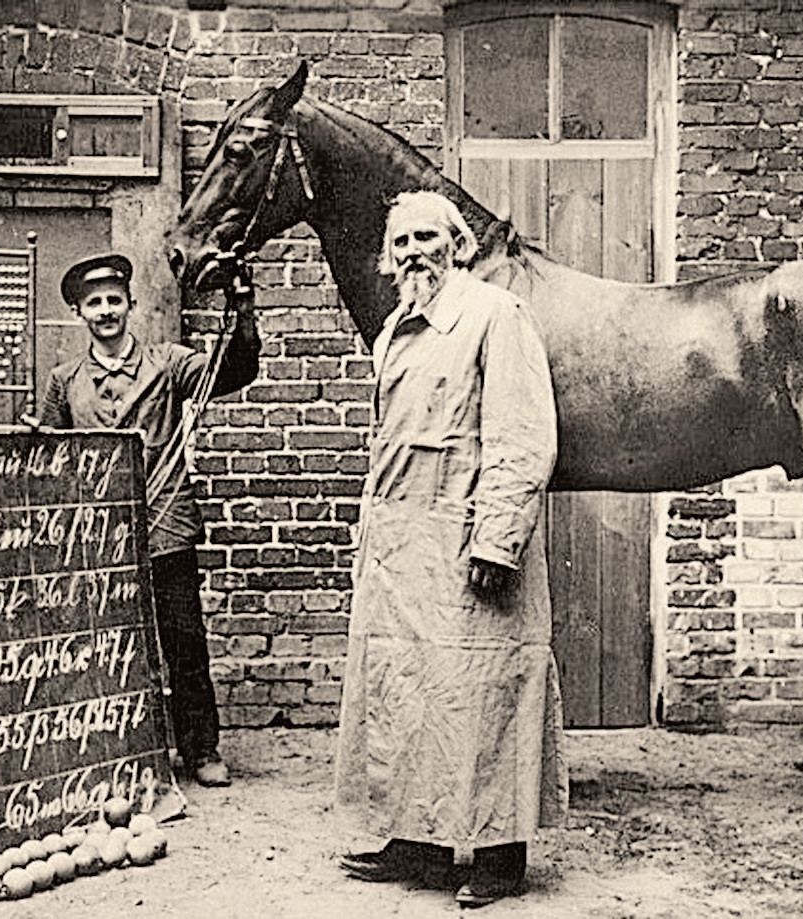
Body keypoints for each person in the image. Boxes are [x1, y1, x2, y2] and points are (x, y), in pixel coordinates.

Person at [333, 191, 567, 907]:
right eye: (400, 241)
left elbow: (523, 434)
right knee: (408, 691)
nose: (413, 252)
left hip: (467, 545)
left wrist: (497, 540)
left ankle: (499, 854)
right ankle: (419, 841)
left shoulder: (495, 315)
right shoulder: (394, 329)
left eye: (426, 237)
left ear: (457, 246)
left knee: (485, 692)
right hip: (402, 552)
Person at [40, 252, 260, 788]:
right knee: (106, 642)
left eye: (114, 300)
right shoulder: (64, 381)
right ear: (79, 313)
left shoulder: (168, 364)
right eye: (94, 303)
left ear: (130, 304)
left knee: (183, 639)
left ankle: (200, 749)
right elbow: (49, 459)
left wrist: (242, 307)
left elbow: (234, 370)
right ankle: (114, 751)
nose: (105, 311)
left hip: (166, 524)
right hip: (100, 535)